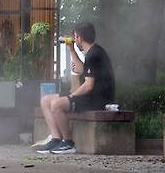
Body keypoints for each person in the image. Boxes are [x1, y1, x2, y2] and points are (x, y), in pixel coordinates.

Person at [34, 21, 115, 154]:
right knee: (45, 100)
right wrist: (71, 49)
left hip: (97, 99)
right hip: (90, 95)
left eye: (75, 36)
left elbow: (88, 85)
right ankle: (56, 139)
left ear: (80, 38)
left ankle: (68, 143)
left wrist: (70, 97)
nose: (74, 38)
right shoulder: (92, 52)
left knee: (56, 104)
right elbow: (82, 70)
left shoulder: (94, 54)